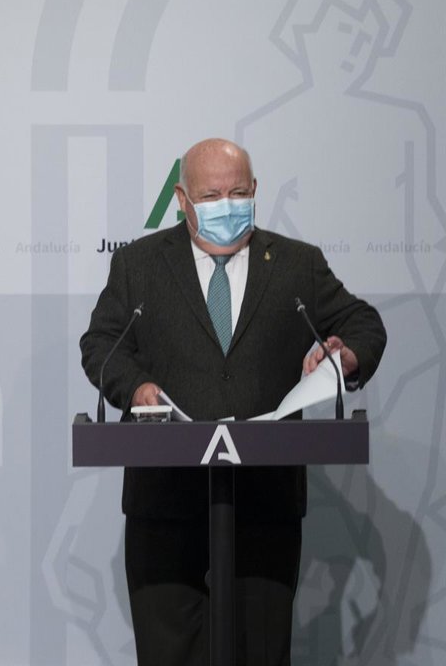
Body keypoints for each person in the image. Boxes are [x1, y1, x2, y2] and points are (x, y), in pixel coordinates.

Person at [79, 138, 386, 666]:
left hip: (263, 510)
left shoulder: (297, 265)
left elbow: (364, 325)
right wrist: (136, 388)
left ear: (256, 191)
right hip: (165, 510)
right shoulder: (138, 264)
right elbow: (102, 344)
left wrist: (346, 354)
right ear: (182, 200)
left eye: (238, 193)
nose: (227, 205)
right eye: (211, 195)